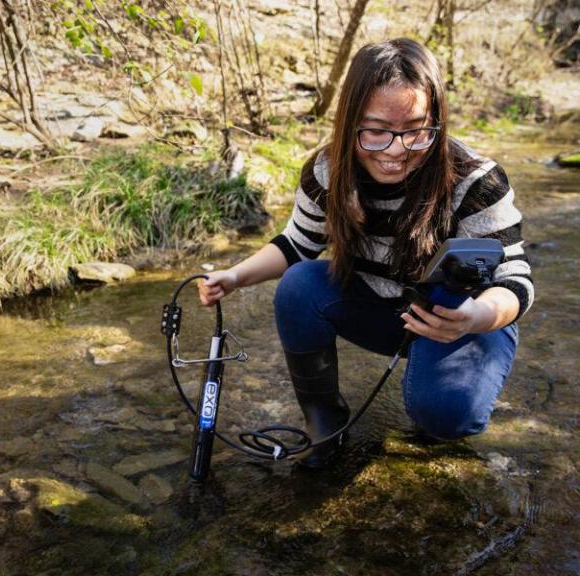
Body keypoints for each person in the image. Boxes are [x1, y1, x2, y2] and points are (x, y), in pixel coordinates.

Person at [197, 38, 533, 469]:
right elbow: (297, 244)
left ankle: (441, 400)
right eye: (376, 131)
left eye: (415, 130)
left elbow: (515, 279)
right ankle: (325, 426)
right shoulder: (327, 170)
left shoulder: (475, 180)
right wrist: (235, 276)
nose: (396, 150)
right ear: (349, 121)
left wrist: (477, 318)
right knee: (299, 287)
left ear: (437, 121)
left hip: (466, 316)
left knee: (445, 418)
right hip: (381, 309)